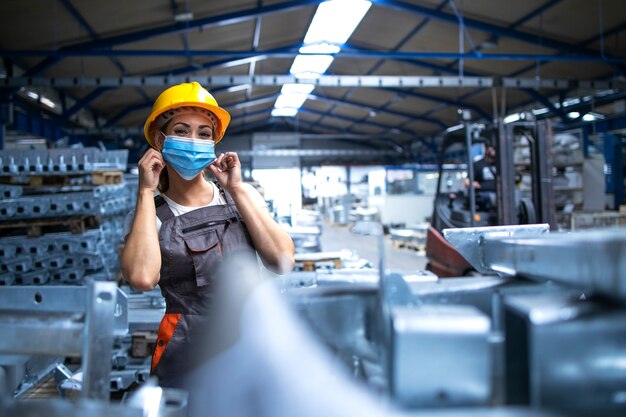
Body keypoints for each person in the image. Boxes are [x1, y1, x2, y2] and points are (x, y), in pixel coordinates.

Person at [121, 81, 295, 388]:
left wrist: (237, 189)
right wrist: (145, 191)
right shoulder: (150, 215)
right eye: (181, 131)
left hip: (251, 338)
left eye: (204, 134)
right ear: (160, 140)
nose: (193, 140)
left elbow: (282, 261)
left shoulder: (241, 197)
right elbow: (142, 278)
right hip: (187, 349)